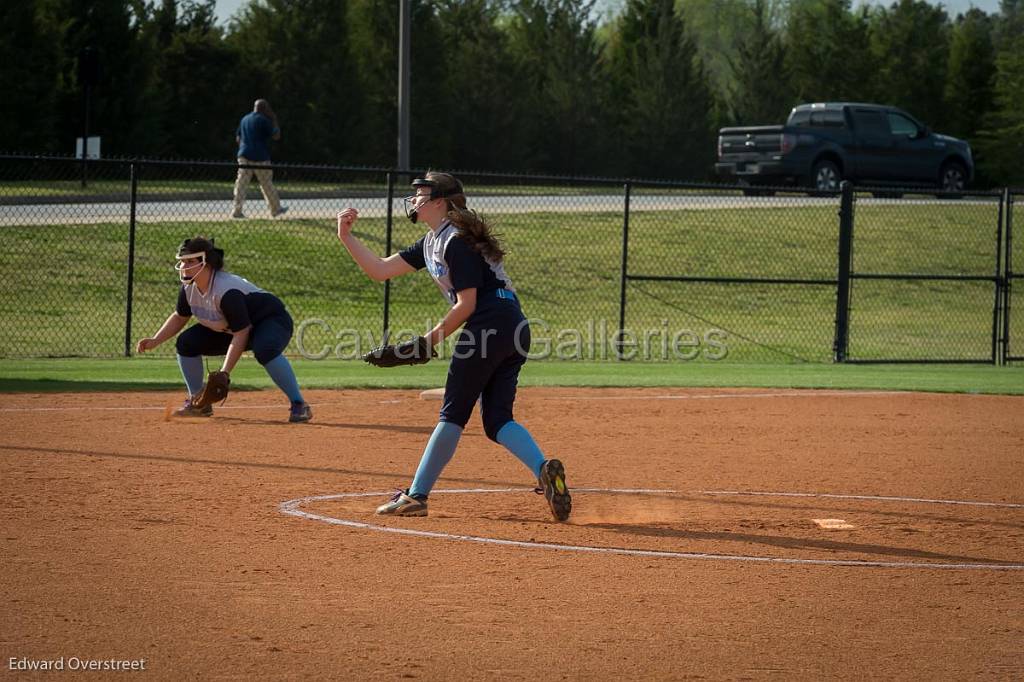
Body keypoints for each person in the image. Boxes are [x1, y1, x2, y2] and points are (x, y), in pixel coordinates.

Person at [336, 172, 571, 521]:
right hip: (515, 326)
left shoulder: (456, 242)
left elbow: (467, 304)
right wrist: (345, 236)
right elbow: (380, 270)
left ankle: (416, 496)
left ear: (440, 202)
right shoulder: (434, 241)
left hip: (489, 324)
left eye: (422, 192)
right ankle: (544, 469)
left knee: (453, 414)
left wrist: (424, 343)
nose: (415, 197)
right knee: (497, 420)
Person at [136, 236, 312, 423]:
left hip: (270, 321)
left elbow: (242, 332)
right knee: (186, 343)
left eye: (190, 261)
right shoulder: (189, 288)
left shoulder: (226, 291)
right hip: (230, 329)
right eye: (182, 262)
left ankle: (299, 405)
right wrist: (155, 340)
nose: (184, 266)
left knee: (265, 349)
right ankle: (199, 402)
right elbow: (180, 316)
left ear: (206, 263)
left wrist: (224, 372)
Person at [232, 99, 287, 219]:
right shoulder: (263, 120)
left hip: (243, 154)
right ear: (264, 108)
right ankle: (275, 209)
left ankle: (237, 210)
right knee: (266, 183)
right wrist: (274, 119)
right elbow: (276, 135)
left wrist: (245, 147)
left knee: (241, 183)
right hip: (260, 156)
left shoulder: (244, 119)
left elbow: (238, 138)